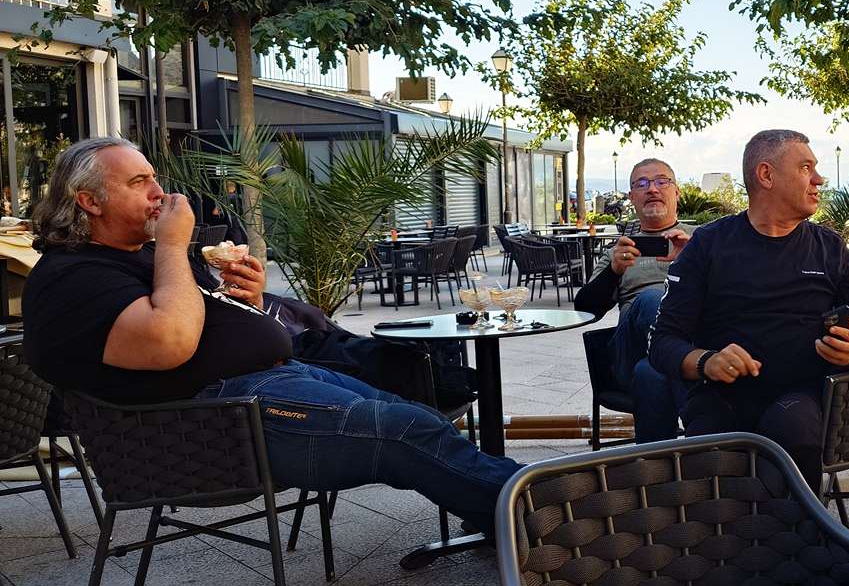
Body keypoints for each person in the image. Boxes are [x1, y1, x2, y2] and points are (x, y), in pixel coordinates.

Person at [22, 138, 519, 534]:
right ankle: (535, 506)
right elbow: (169, 342)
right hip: (220, 423)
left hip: (269, 383)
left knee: (420, 417)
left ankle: (506, 511)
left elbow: (201, 322)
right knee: (404, 431)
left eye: (154, 177)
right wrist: (174, 244)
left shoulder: (138, 255)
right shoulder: (73, 276)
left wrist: (248, 302)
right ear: (89, 201)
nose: (158, 192)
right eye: (139, 182)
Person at [648, 129, 849, 491]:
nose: (819, 179)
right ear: (766, 175)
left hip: (799, 394)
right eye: (805, 168)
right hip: (720, 396)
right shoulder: (708, 245)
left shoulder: (829, 248)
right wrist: (706, 361)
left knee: (795, 429)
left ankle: (796, 525)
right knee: (713, 460)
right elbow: (662, 342)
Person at [574, 158, 693, 442]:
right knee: (652, 298)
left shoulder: (702, 242)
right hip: (632, 350)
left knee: (651, 374)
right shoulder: (619, 252)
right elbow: (585, 309)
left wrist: (692, 261)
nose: (652, 189)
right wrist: (613, 272)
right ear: (631, 197)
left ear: (676, 192)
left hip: (672, 355)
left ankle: (656, 466)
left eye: (662, 181)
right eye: (642, 184)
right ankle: (706, 430)